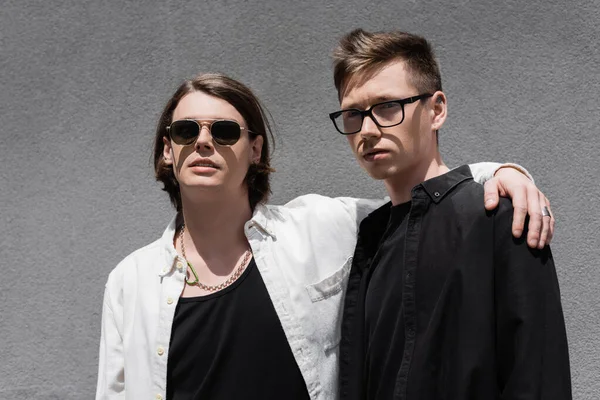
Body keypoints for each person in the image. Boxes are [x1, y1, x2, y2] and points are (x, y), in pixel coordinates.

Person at [96, 73, 555, 400]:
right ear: (166, 149)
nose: (203, 142)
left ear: (254, 150)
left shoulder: (317, 227)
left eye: (225, 130)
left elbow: (423, 206)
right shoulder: (129, 281)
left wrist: (498, 172)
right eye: (184, 130)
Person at [333, 29, 571, 399]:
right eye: (353, 114)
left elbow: (538, 375)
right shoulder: (368, 238)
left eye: (386, 107)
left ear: (436, 110)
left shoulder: (498, 215)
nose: (366, 129)